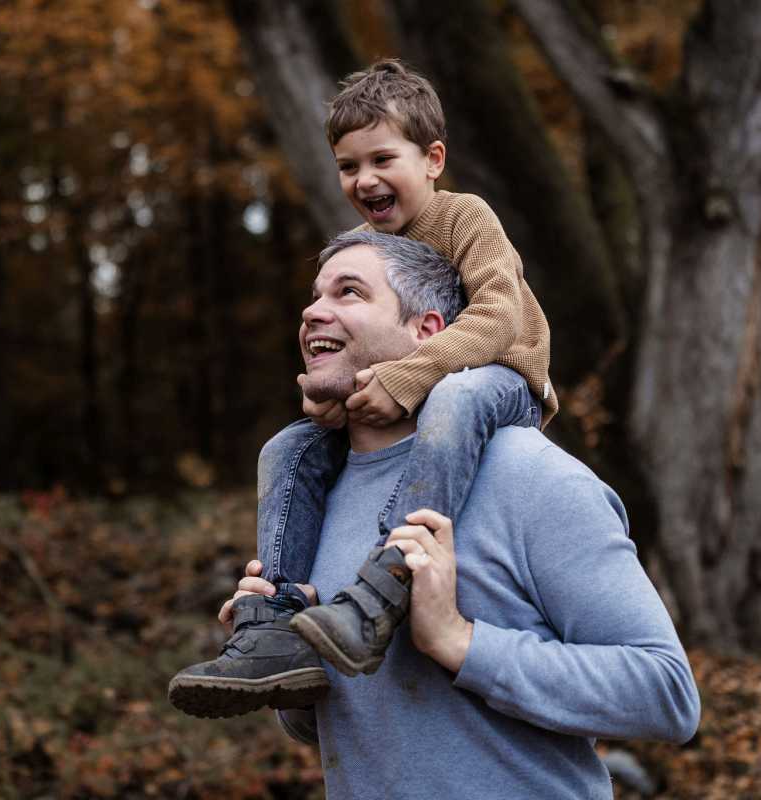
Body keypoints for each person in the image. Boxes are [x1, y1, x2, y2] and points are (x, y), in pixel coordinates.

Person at [211, 232, 701, 798]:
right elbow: (342, 727)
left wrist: (459, 641)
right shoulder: (310, 501)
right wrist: (299, 665)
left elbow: (666, 693)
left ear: (428, 331)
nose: (312, 312)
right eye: (314, 297)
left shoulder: (531, 476)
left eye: (349, 293)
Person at [170, 58, 557, 717]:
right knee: (285, 449)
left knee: (456, 396)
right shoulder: (356, 245)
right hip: (421, 396)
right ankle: (275, 623)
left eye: (383, 159)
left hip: (502, 381)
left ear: (433, 158)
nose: (365, 180)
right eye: (349, 166)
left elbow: (499, 318)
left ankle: (388, 582)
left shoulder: (464, 217)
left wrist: (407, 377)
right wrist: (325, 393)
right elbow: (340, 343)